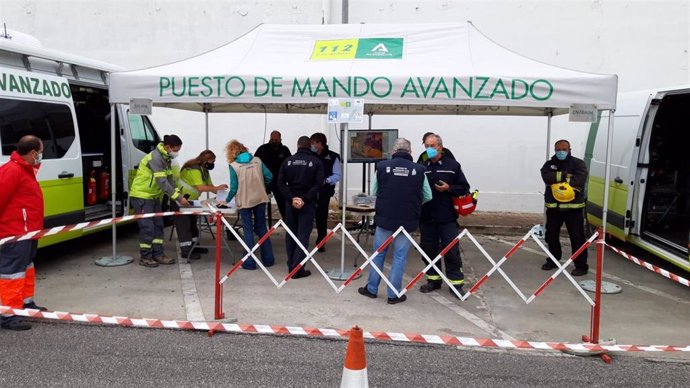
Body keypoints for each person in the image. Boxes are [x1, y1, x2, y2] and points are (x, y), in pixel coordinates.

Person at [357, 138, 432, 304]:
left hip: (384, 218)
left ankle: (371, 289)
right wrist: (413, 204)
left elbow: (373, 191)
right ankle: (393, 294)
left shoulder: (382, 167)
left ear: (393, 151)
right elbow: (428, 195)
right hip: (407, 220)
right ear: (410, 152)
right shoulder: (420, 170)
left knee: (378, 254)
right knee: (399, 257)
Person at [0, 135, 47, 330]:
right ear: (33, 152)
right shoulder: (12, 170)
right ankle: (8, 315)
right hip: (15, 233)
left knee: (26, 268)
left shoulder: (26, 169)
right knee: (11, 273)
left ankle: (26, 304)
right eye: (41, 152)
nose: (41, 156)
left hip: (28, 232)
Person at [418, 134, 470, 297]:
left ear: (440, 147)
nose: (429, 149)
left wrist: (449, 188)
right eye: (426, 146)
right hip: (426, 216)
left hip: (447, 216)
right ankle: (433, 280)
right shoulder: (422, 166)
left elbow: (464, 188)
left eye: (432, 146)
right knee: (428, 249)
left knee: (451, 249)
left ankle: (456, 283)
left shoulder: (452, 165)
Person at [130, 134, 189, 268]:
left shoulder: (166, 158)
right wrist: (178, 198)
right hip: (142, 196)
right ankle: (145, 256)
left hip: (154, 196)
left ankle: (158, 254)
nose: (177, 153)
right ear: (168, 147)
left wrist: (180, 195)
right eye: (176, 150)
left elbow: (169, 181)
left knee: (158, 226)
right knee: (148, 228)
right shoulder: (155, 158)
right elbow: (162, 182)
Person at [540, 139, 589, 276]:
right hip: (554, 208)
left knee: (577, 237)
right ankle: (553, 260)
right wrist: (564, 176)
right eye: (558, 149)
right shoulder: (549, 164)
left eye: (564, 149)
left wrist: (557, 180)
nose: (561, 152)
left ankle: (581, 265)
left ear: (569, 150)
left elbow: (578, 180)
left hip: (573, 209)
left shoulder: (578, 164)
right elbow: (547, 177)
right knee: (551, 235)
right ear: (555, 150)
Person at [278, 136, 324, 279]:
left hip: (291, 201)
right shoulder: (316, 161)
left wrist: (291, 198)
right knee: (303, 234)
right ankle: (297, 268)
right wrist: (304, 199)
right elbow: (318, 184)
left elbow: (280, 183)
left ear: (297, 145)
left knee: (290, 233)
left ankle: (291, 264)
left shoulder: (288, 161)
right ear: (310, 145)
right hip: (307, 202)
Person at [225, 140, 275, 270]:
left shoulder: (234, 166)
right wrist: (262, 186)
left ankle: (249, 262)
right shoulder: (257, 160)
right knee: (262, 228)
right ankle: (268, 259)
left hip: (244, 200)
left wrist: (226, 200)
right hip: (260, 198)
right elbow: (269, 176)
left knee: (248, 230)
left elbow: (234, 188)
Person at [175, 150, 228, 261]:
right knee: (185, 226)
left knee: (193, 224)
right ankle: (186, 251)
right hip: (181, 200)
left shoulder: (204, 171)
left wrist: (224, 195)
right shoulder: (194, 169)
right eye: (212, 161)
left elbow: (210, 186)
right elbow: (201, 187)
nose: (213, 163)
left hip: (191, 200)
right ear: (205, 161)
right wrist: (217, 188)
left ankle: (195, 246)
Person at [309, 132, 341, 252]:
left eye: (313, 143)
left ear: (320, 144)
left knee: (321, 217)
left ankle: (321, 242)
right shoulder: (309, 155)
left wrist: (326, 181)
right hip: (310, 191)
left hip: (324, 190)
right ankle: (303, 241)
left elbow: (337, 175)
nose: (311, 145)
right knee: (308, 215)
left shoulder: (333, 157)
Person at [254, 131, 292, 220]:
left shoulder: (284, 150)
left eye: (276, 139)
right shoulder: (263, 149)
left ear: (280, 139)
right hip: (264, 182)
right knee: (260, 206)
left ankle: (288, 225)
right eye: (272, 139)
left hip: (280, 182)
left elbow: (290, 165)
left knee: (284, 205)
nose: (274, 141)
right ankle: (260, 227)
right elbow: (255, 163)